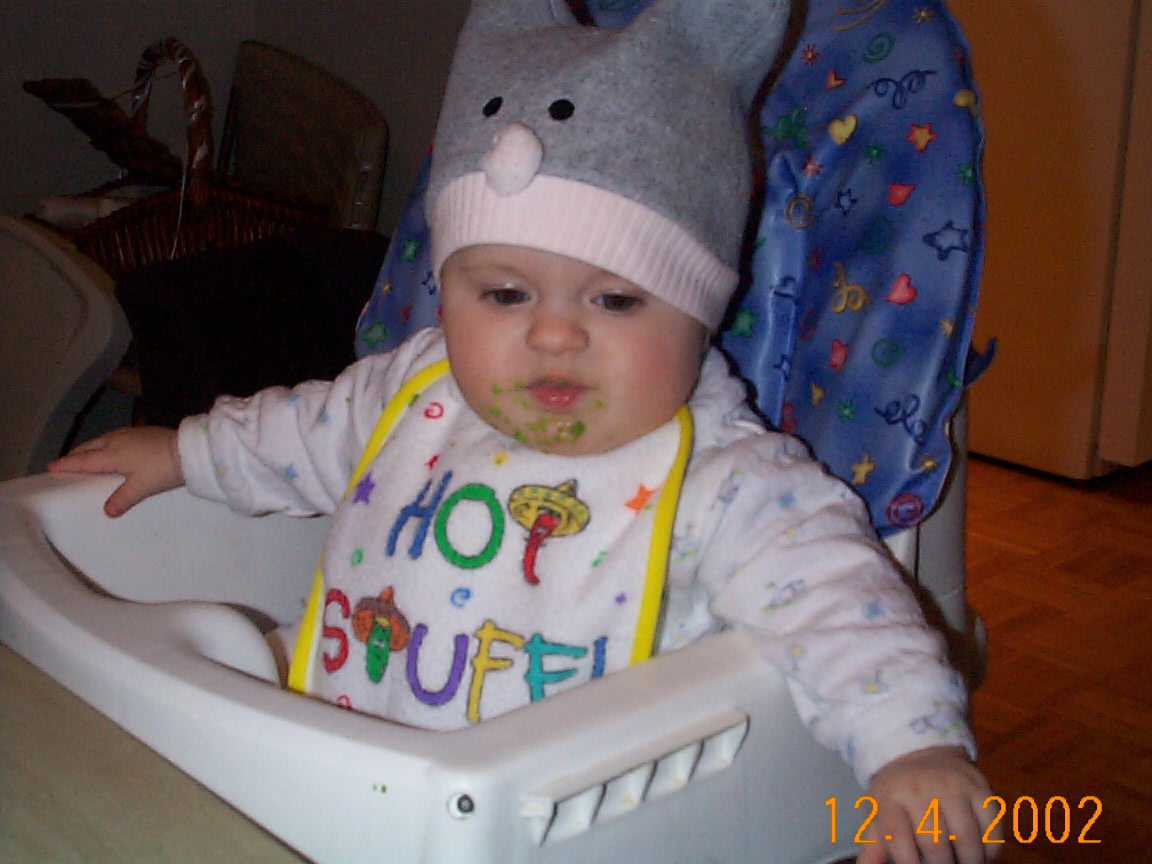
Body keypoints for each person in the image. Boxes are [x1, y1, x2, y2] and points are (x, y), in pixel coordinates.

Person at [50, 0, 1002, 860]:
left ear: (701, 311)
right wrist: (186, 451)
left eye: (616, 300)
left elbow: (842, 604)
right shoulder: (413, 390)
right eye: (504, 293)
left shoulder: (726, 477)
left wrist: (911, 745)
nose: (553, 335)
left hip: (562, 826)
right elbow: (298, 434)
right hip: (335, 776)